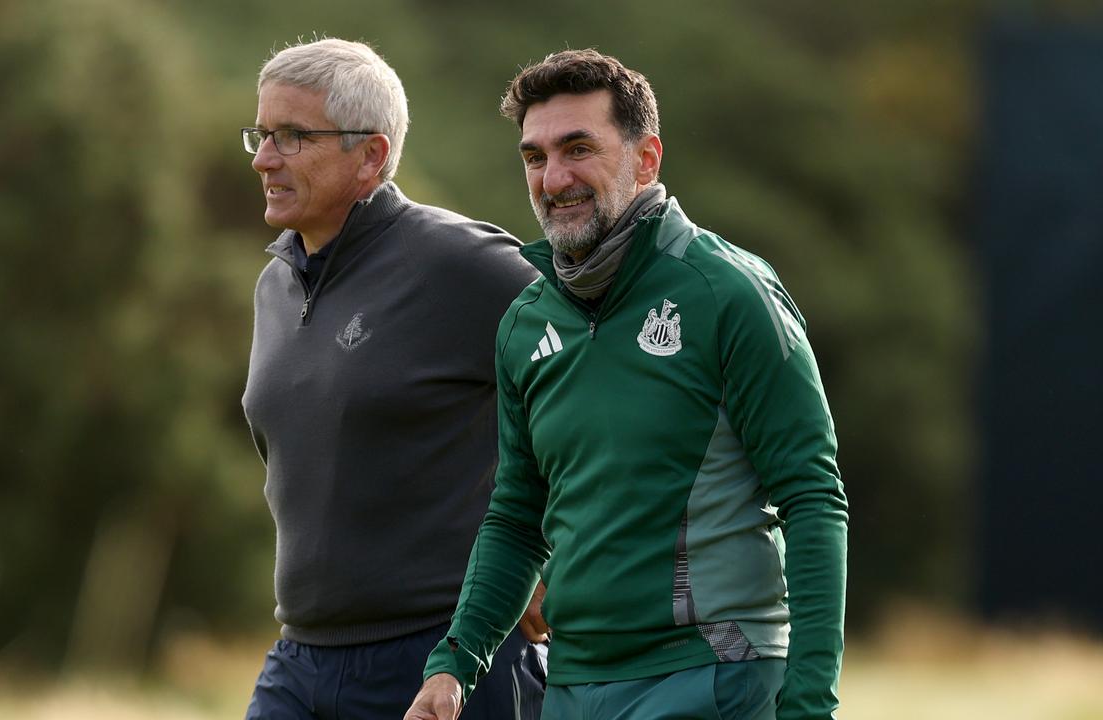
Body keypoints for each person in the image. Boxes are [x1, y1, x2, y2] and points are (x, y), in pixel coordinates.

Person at [405, 49, 848, 720]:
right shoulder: (526, 324)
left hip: (711, 673)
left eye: (578, 148)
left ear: (646, 159)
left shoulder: (729, 294)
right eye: (534, 156)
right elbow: (518, 517)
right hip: (573, 684)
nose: (554, 178)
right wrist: (455, 662)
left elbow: (814, 499)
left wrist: (809, 706)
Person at [240, 38, 546, 720]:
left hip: (444, 656)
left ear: (371, 155)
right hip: (301, 654)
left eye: (293, 137)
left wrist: (547, 550)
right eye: (261, 135)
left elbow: (599, 379)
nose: (264, 158)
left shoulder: (460, 265)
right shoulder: (274, 286)